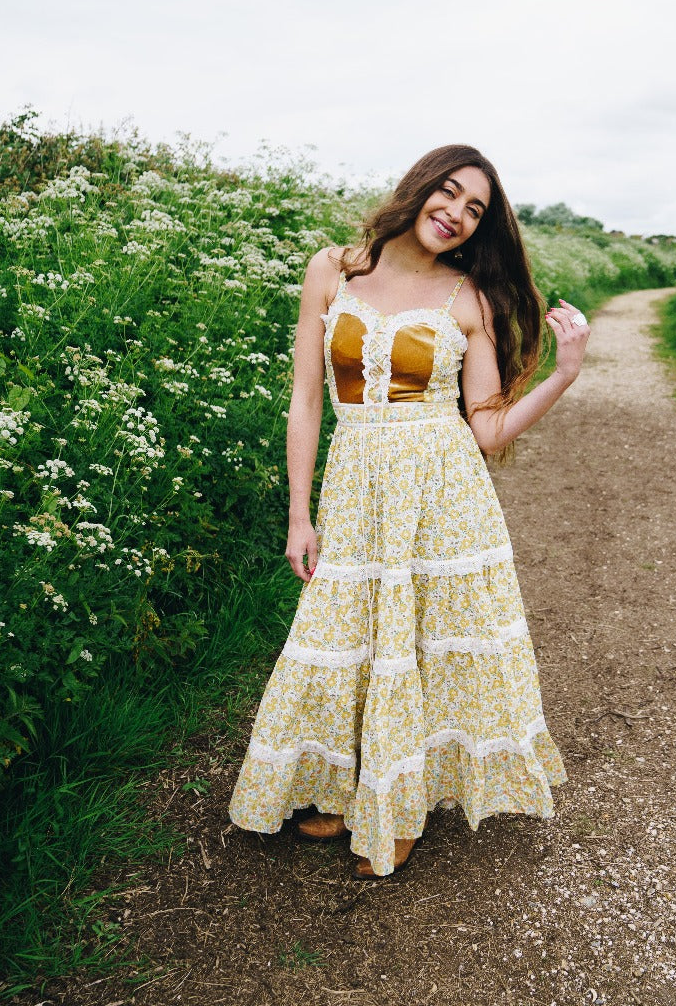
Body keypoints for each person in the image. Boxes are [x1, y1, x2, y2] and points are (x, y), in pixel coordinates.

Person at [229, 144, 590, 878]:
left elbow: (486, 430)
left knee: (422, 646)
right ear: (420, 188)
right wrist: (300, 515)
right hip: (356, 485)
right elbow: (305, 400)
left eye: (474, 209)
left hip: (443, 494)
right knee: (347, 637)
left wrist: (565, 374)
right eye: (449, 193)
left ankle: (402, 807)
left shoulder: (469, 299)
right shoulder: (335, 267)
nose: (455, 213)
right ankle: (345, 784)